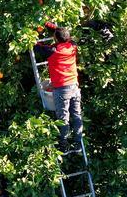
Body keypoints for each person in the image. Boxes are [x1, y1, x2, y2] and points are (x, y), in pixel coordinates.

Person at [34, 22, 114, 150]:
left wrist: (38, 28)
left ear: (55, 38)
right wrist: (51, 26)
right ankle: (77, 143)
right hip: (74, 87)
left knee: (63, 117)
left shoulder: (52, 51)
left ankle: (64, 143)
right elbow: (61, 34)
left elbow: (35, 45)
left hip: (62, 89)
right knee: (76, 115)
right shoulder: (72, 46)